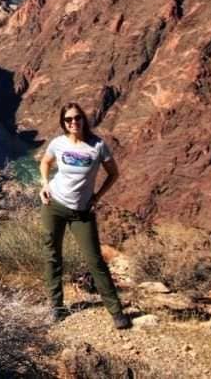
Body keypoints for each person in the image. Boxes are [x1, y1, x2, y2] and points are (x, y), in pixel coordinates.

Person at [39, 102, 131, 329]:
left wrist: (97, 197)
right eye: (68, 119)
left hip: (82, 212)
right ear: (63, 123)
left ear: (84, 119)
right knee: (52, 255)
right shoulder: (58, 143)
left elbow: (113, 174)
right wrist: (44, 184)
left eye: (77, 118)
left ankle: (116, 311)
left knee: (95, 260)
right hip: (54, 205)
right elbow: (45, 161)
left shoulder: (98, 146)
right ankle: (56, 307)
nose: (73, 122)